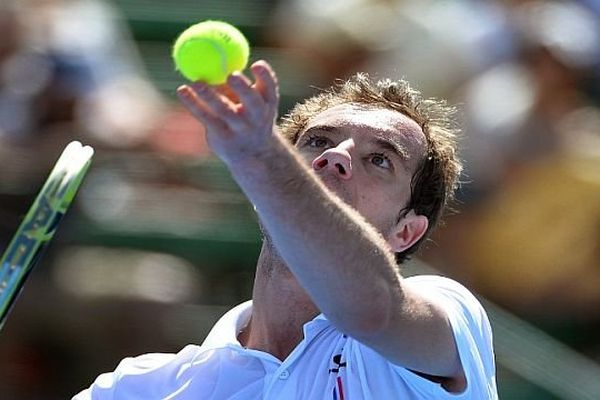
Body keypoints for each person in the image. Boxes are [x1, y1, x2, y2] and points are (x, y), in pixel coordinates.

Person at [73, 60, 498, 399]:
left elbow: (373, 309)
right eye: (317, 141)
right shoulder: (139, 388)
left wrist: (265, 158)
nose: (337, 156)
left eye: (379, 160)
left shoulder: (449, 318)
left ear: (406, 232)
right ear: (265, 194)